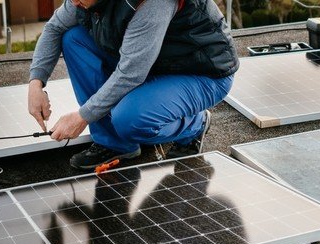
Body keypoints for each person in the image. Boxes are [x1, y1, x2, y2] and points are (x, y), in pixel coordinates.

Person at [27, 0, 239, 170]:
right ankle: (114, 143)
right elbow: (54, 27)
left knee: (130, 120)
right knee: (73, 38)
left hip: (200, 72)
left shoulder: (153, 4)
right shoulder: (81, 2)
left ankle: (195, 124)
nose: (72, 3)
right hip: (155, 64)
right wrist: (35, 84)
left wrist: (82, 116)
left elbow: (130, 74)